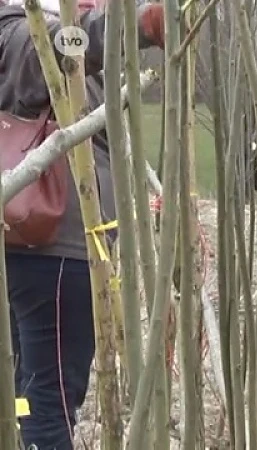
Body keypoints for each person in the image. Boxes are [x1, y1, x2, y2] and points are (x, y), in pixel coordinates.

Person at [0, 0, 164, 448]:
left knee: (30, 394)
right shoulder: (20, 30)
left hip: (50, 248)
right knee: (50, 398)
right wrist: (141, 26)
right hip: (54, 251)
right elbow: (64, 44)